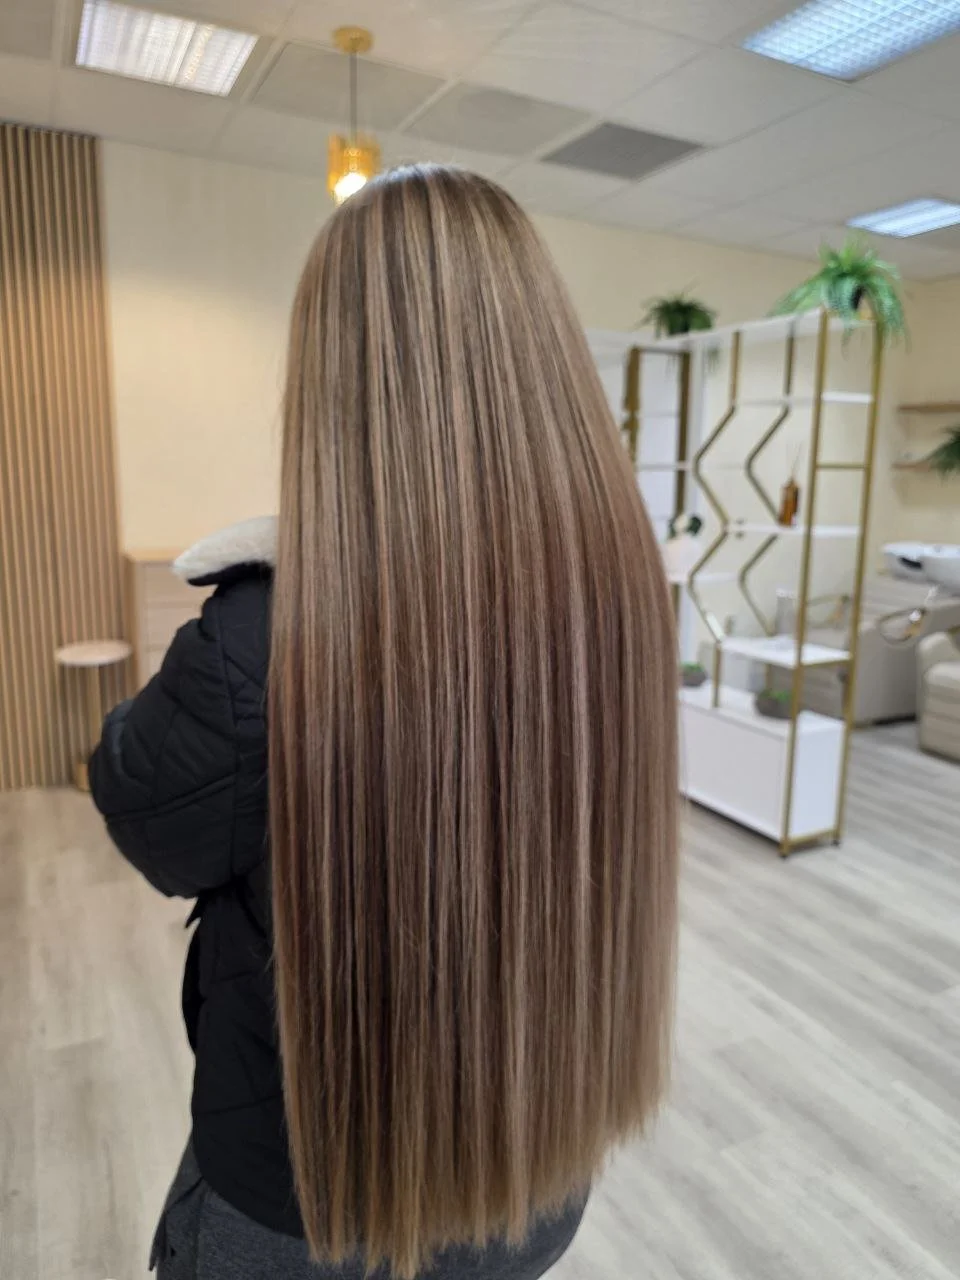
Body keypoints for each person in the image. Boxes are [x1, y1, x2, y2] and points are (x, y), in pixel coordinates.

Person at [90, 164, 678, 1280]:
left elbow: (136, 797)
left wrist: (259, 585)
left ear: (338, 383)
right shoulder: (617, 605)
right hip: (538, 1178)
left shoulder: (261, 640)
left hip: (316, 1216)